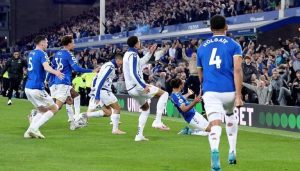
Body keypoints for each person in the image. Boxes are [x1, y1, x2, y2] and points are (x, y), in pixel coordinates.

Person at [197, 15, 244, 171]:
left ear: (210, 29)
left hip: (210, 91)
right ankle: (232, 151)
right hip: (229, 90)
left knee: (215, 123)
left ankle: (215, 151)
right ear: (226, 27)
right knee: (230, 115)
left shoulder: (202, 47)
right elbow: (237, 70)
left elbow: (200, 73)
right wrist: (238, 95)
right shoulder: (234, 45)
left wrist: (205, 85)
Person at [123, 36, 170, 142]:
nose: (140, 43)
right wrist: (143, 86)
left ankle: (139, 135)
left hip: (130, 89)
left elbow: (140, 63)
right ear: (135, 44)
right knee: (164, 94)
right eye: (139, 42)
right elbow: (133, 74)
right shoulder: (133, 55)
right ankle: (157, 121)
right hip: (138, 87)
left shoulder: (127, 54)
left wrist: (150, 53)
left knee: (145, 109)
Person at [51, 35, 96, 130]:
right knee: (56, 107)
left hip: (56, 81)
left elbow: (52, 67)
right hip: (64, 82)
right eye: (73, 42)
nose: (74, 44)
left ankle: (74, 121)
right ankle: (37, 114)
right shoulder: (68, 54)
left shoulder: (57, 53)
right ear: (69, 44)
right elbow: (76, 68)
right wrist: (92, 71)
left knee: (73, 97)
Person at [24, 35, 64, 139]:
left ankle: (28, 132)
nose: (47, 44)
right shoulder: (42, 53)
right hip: (37, 87)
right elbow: (46, 67)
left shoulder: (30, 53)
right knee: (54, 108)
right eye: (46, 42)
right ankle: (34, 128)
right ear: (41, 43)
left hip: (28, 87)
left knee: (42, 110)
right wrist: (56, 72)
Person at [79, 54, 126, 134]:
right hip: (104, 91)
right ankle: (115, 130)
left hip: (101, 91)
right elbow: (102, 79)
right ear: (118, 60)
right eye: (121, 62)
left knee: (108, 112)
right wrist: (97, 94)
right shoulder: (110, 66)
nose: (122, 64)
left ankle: (85, 115)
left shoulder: (107, 65)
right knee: (117, 108)